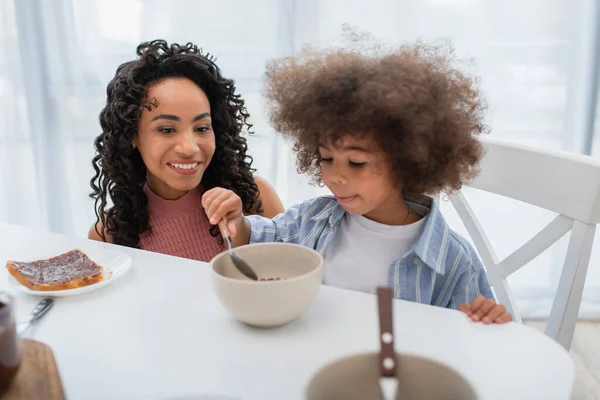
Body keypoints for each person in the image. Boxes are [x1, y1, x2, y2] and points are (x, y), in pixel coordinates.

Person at [202, 41, 511, 324]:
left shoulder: (451, 259)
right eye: (326, 158)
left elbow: (470, 339)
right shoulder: (313, 219)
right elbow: (261, 240)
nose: (336, 175)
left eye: (356, 162)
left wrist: (486, 321)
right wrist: (236, 221)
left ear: (407, 161)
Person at [88, 40, 284, 262]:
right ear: (132, 135)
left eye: (201, 128)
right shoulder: (108, 234)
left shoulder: (256, 198)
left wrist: (244, 230)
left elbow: (294, 282)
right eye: (167, 129)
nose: (189, 148)